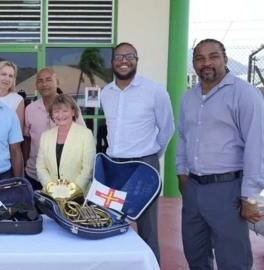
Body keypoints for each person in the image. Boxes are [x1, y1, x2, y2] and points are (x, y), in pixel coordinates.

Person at [176, 38, 264, 270]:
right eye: (199, 58)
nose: (206, 63)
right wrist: (181, 174)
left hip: (228, 191)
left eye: (213, 56)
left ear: (225, 59)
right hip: (193, 189)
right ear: (193, 63)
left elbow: (257, 146)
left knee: (233, 260)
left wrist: (250, 197)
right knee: (195, 253)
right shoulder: (189, 97)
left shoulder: (245, 94)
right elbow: (183, 138)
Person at [99, 42, 174, 263]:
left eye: (129, 56)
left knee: (147, 226)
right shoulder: (106, 92)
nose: (124, 61)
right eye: (119, 57)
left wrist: (150, 157)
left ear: (137, 60)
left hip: (144, 165)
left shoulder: (155, 90)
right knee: (111, 222)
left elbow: (167, 128)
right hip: (115, 166)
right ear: (112, 62)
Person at [23, 67, 85, 190]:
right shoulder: (30, 109)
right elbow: (27, 139)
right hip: (34, 175)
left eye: (48, 80)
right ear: (36, 85)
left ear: (57, 82)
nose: (44, 84)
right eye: (40, 81)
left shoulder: (70, 106)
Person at [36, 94, 95, 191]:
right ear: (52, 114)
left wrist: (71, 192)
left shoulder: (86, 134)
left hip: (78, 196)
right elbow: (40, 167)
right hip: (52, 195)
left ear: (73, 112)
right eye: (56, 111)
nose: (60, 115)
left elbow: (87, 169)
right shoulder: (45, 136)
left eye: (65, 111)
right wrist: (51, 188)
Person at [0, 60, 25, 131]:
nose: (7, 79)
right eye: (4, 74)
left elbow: (18, 132)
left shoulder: (17, 100)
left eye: (11, 76)